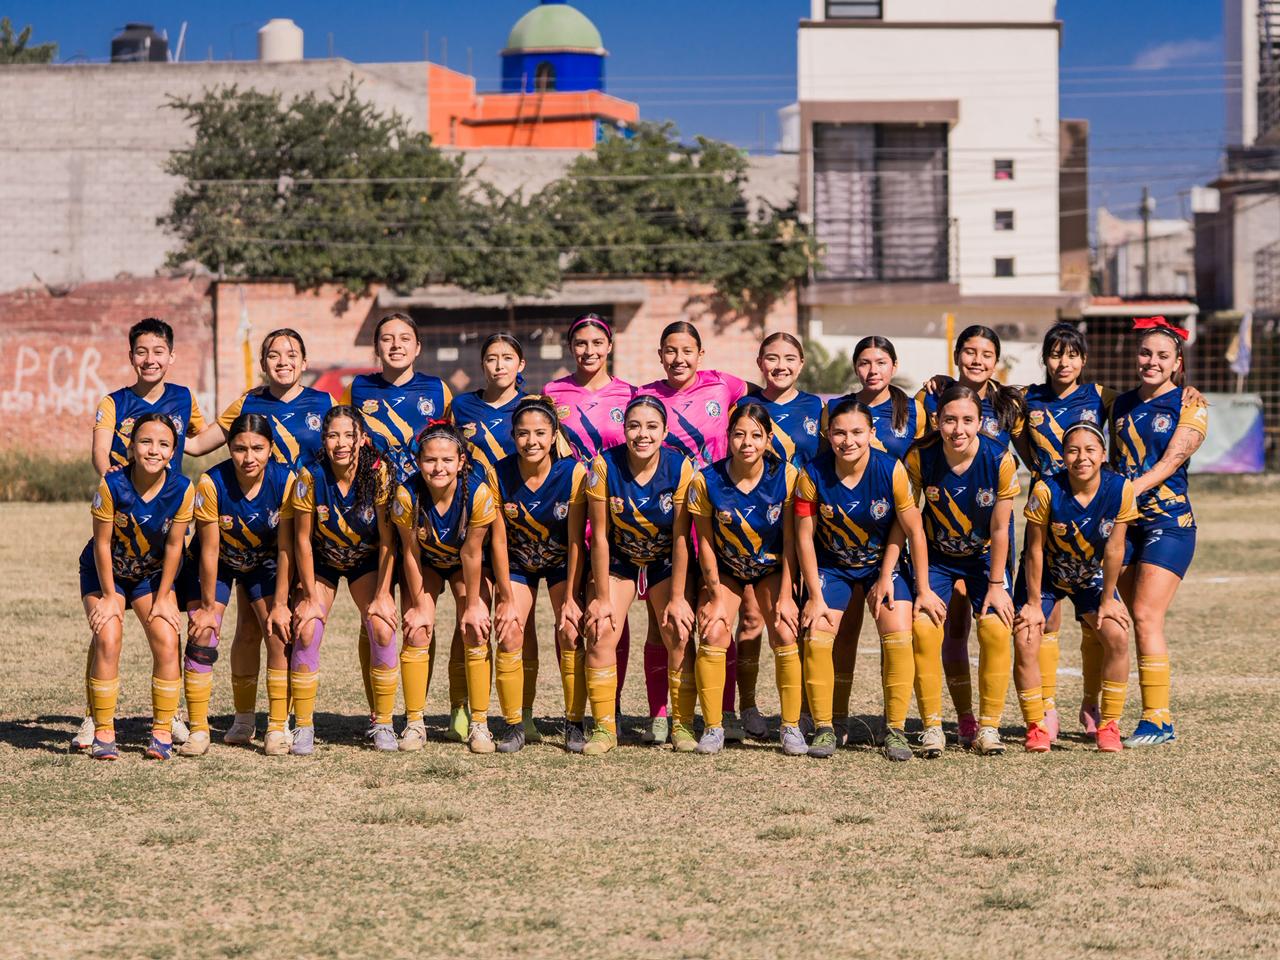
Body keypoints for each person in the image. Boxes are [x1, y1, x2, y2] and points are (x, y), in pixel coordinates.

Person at [183, 328, 331, 745]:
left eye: (291, 354)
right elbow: (196, 446)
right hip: (237, 523)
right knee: (243, 628)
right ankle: (242, 720)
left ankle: (284, 723)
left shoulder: (324, 403)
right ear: (263, 363)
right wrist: (176, 417)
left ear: (304, 362)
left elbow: (349, 443)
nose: (282, 360)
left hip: (291, 527)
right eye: (273, 354)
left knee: (281, 624)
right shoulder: (247, 403)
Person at [76, 317, 207, 751]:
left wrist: (248, 416)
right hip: (124, 519)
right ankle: (96, 720)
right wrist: (121, 487)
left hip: (162, 533)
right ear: (131, 356)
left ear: (172, 356)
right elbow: (99, 454)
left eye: (158, 352)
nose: (150, 359)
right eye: (141, 351)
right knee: (107, 632)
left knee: (167, 633)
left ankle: (168, 723)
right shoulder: (114, 402)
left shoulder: (185, 399)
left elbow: (200, 442)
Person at [796, 399, 945, 760]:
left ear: (872, 434)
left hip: (883, 565)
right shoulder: (811, 474)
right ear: (828, 434)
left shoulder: (890, 470)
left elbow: (914, 531)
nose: (848, 440)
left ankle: (893, 729)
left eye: (857, 432)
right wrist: (814, 595)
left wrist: (921, 588)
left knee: (897, 632)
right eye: (840, 432)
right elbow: (803, 537)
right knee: (818, 633)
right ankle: (826, 727)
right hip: (832, 567)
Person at [341, 313, 462, 741]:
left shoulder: (437, 389)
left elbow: (449, 445)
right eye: (387, 339)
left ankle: (417, 713)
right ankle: (380, 713)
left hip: (418, 510)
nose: (396, 345)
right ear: (376, 348)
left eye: (404, 338)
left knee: (415, 611)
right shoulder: (358, 388)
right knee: (374, 615)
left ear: (418, 347)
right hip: (370, 512)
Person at [639, 321, 749, 744]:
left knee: (716, 614)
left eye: (687, 350)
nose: (678, 358)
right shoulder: (644, 395)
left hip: (718, 517)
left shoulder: (724, 385)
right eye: (670, 350)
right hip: (666, 522)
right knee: (663, 620)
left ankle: (725, 710)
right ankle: (661, 712)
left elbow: (768, 399)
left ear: (701, 355)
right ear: (660, 354)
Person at [916, 326, 1026, 748]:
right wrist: (923, 586)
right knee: (930, 628)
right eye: (949, 420)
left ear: (982, 423)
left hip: (985, 557)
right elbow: (913, 525)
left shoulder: (1000, 452)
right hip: (939, 556)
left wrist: (997, 585)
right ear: (938, 420)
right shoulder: (921, 453)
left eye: (967, 420)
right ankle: (935, 725)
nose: (958, 428)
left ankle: (989, 727)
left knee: (997, 626)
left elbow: (1001, 526)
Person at [819, 335, 928, 743]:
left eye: (881, 362)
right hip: (847, 529)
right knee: (843, 631)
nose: (872, 370)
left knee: (896, 630)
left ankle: (895, 724)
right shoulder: (841, 411)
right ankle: (836, 721)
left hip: (896, 525)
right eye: (864, 362)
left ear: (894, 366)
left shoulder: (915, 410)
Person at [1110, 317, 1208, 747]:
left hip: (1169, 522)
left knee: (1148, 616)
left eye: (1162, 356)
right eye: (1146, 353)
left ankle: (1158, 720)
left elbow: (1169, 463)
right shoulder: (1118, 403)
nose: (1151, 361)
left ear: (1177, 363)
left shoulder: (1192, 405)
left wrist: (1124, 492)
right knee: (1120, 618)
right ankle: (1104, 715)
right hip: (1124, 525)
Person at [177, 414, 297, 757]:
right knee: (204, 631)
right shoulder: (211, 483)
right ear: (229, 448)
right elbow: (210, 549)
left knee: (276, 631)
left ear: (271, 448)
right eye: (240, 448)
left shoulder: (286, 480)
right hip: (218, 563)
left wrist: (281, 602)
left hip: (264, 563)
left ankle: (276, 726)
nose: (249, 457)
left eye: (258, 448)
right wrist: (209, 607)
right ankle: (202, 730)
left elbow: (287, 546)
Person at [583, 395, 697, 756]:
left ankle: (681, 724)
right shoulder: (604, 465)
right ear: (624, 429)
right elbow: (599, 535)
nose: (642, 434)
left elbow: (681, 537)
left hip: (664, 561)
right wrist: (601, 598)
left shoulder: (680, 467)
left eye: (651, 427)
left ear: (664, 431)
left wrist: (678, 598)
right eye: (634, 426)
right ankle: (604, 728)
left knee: (678, 631)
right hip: (620, 560)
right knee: (600, 630)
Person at [686, 402, 802, 755]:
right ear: (728, 438)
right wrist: (716, 594)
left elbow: (792, 541)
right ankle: (713, 726)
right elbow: (704, 541)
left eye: (755, 435)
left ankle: (791, 727)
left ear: (768, 439)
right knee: (715, 629)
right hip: (726, 570)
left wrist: (785, 595)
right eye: (739, 434)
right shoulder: (706, 479)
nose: (747, 442)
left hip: (771, 568)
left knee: (783, 628)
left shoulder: (787, 476)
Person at [392, 420, 515, 754]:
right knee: (417, 628)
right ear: (419, 462)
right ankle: (415, 723)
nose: (439, 467)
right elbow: (410, 552)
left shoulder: (478, 493)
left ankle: (479, 724)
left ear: (462, 461)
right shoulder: (406, 495)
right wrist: (418, 604)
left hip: (466, 566)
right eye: (430, 460)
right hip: (428, 564)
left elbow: (472, 552)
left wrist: (474, 604)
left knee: (475, 628)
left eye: (447, 460)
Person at [1014, 422, 1137, 753]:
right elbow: (1034, 549)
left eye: (1090, 450)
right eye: (1073, 450)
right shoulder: (1046, 490)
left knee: (1117, 635)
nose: (1081, 457)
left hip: (1089, 575)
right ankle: (1036, 726)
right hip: (1047, 576)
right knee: (1027, 636)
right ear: (1063, 456)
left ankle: (1109, 725)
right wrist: (1035, 602)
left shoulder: (1120, 489)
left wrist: (1110, 599)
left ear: (1102, 454)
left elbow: (1114, 548)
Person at [79, 413, 194, 759]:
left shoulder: (182, 488)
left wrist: (163, 598)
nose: (153, 450)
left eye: (163, 444)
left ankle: (161, 732)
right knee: (108, 637)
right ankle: (102, 731)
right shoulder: (112, 485)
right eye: (145, 442)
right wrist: (111, 596)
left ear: (173, 452)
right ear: (130, 447)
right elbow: (101, 545)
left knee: (167, 638)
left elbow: (175, 546)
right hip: (105, 574)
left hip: (149, 576)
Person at [543, 313, 637, 727]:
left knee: (611, 608)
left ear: (610, 347)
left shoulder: (630, 394)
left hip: (614, 512)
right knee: (570, 610)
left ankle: (608, 699)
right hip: (566, 510)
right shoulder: (552, 392)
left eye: (597, 343)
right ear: (571, 347)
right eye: (581, 343)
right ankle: (574, 709)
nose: (589, 351)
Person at [453, 334, 546, 743]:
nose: (499, 365)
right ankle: (464, 708)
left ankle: (521, 712)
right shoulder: (461, 406)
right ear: (481, 364)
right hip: (472, 521)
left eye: (507, 357)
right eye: (491, 358)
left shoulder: (533, 408)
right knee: (469, 616)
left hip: (517, 522)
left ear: (521, 364)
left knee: (517, 622)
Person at [290, 406, 398, 756]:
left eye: (349, 435)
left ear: (362, 439)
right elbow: (302, 540)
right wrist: (307, 595)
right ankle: (303, 726)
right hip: (322, 561)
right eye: (333, 435)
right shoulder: (310, 476)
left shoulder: (378, 475)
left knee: (381, 626)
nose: (341, 443)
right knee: (307, 626)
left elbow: (387, 540)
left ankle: (382, 723)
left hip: (364, 561)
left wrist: (382, 594)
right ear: (324, 440)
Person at [730, 332, 822, 740]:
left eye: (789, 358)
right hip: (754, 526)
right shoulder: (746, 407)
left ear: (801, 364)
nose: (780, 365)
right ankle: (746, 706)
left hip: (805, 524)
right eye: (771, 358)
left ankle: (799, 708)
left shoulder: (818, 407)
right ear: (759, 363)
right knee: (751, 617)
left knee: (798, 617)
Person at [487, 397, 590, 752]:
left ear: (553, 435)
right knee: (510, 631)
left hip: (562, 562)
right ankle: (515, 723)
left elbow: (577, 540)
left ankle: (574, 722)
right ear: (513, 436)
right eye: (523, 433)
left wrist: (573, 599)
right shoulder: (498, 473)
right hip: (517, 563)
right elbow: (498, 540)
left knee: (570, 630)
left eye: (540, 433)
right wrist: (503, 597)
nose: (531, 441)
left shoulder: (573, 473)